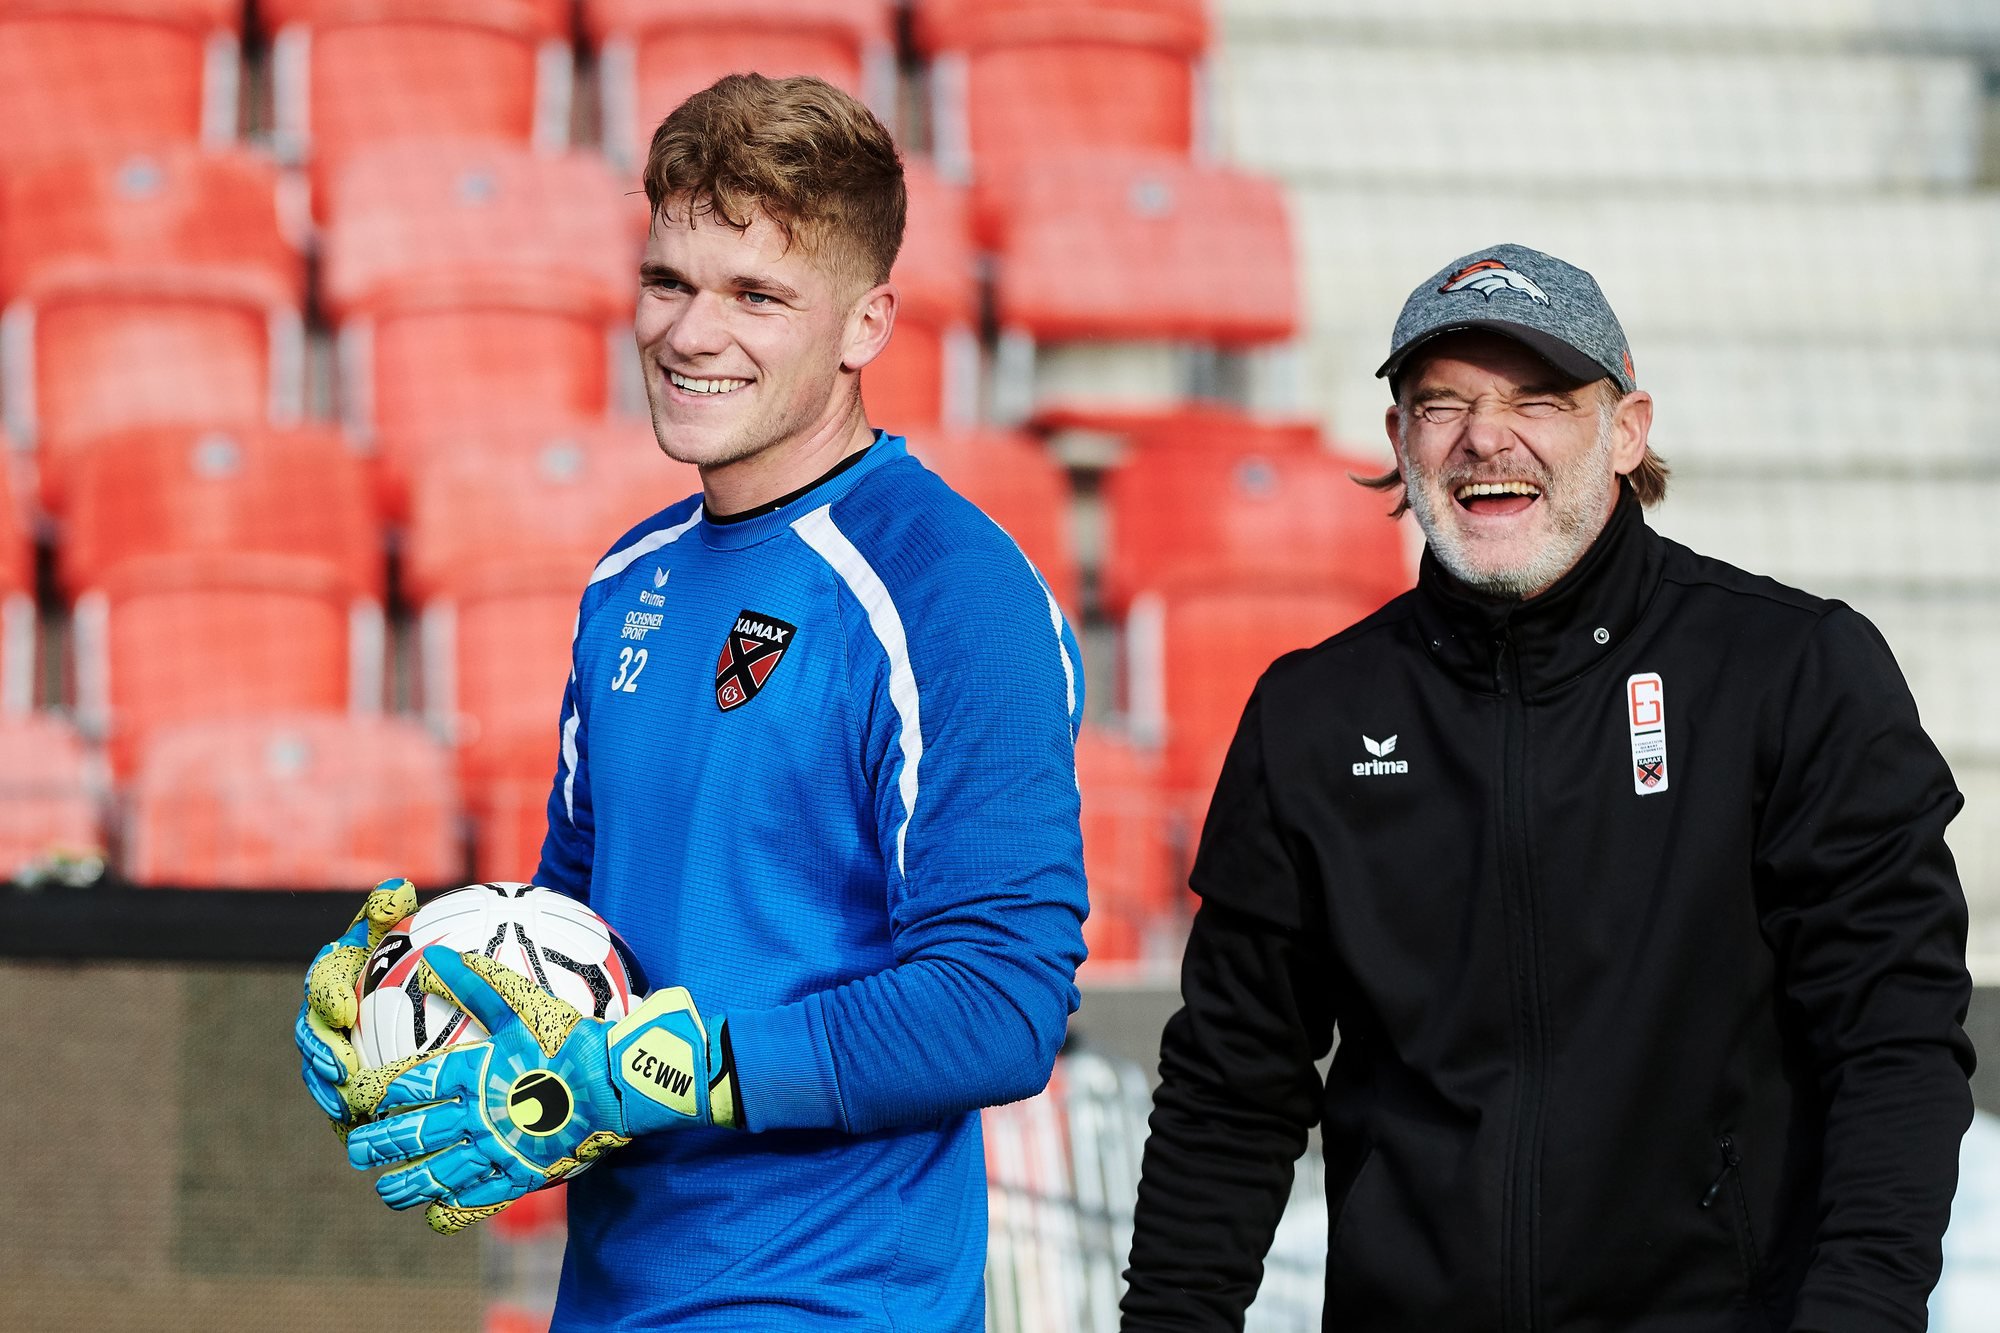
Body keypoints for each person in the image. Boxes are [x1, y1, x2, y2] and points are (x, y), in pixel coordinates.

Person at [293, 73, 1088, 1329]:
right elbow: (581, 939)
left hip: (825, 1299)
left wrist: (668, 1075)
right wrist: (423, 1006)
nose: (689, 333)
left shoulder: (950, 589)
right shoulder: (628, 580)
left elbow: (998, 1005)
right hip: (612, 1294)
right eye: (669, 282)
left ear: (867, 323)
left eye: (756, 295)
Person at [1120, 243, 1974, 1332]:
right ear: (1398, 439)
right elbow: (1229, 1090)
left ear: (1625, 430)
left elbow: (1892, 1039)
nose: (1485, 435)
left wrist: (1857, 1312)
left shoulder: (1791, 671)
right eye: (1442, 404)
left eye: (1538, 397)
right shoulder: (1311, 715)